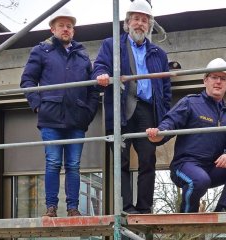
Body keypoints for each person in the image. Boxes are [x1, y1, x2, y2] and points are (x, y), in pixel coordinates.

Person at [92, 0, 172, 214]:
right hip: (121, 108)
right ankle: (127, 208)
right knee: (122, 160)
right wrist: (101, 75)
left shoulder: (158, 53)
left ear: (149, 26)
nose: (140, 24)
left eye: (144, 20)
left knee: (148, 158)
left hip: (146, 110)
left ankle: (144, 207)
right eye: (136, 19)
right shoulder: (112, 45)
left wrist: (162, 115)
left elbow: (165, 89)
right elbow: (100, 65)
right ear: (127, 23)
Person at [146, 58, 226, 213]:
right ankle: (187, 213)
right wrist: (158, 134)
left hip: (213, 168)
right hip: (186, 166)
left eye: (223, 78)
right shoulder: (191, 103)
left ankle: (224, 208)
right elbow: (171, 123)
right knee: (199, 180)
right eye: (214, 77)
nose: (218, 82)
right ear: (205, 80)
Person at [20, 7, 99, 217]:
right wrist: (38, 105)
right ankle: (51, 208)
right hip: (51, 118)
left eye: (69, 26)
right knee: (53, 163)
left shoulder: (82, 55)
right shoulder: (40, 51)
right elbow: (27, 80)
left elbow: (93, 89)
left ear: (73, 31)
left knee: (73, 165)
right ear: (52, 28)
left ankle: (73, 208)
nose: (66, 29)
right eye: (62, 26)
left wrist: (88, 112)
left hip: (76, 120)